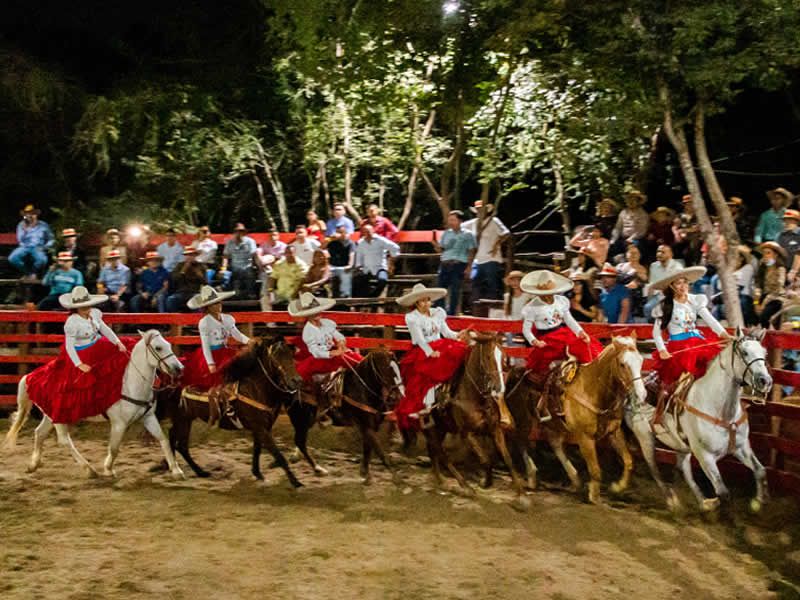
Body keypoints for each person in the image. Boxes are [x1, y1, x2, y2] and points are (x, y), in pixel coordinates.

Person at [24, 286, 134, 424]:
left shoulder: (95, 313)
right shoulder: (72, 322)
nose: (86, 308)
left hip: (97, 343)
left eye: (87, 305)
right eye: (82, 307)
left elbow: (104, 329)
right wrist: (79, 364)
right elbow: (69, 346)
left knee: (128, 346)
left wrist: (117, 342)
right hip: (82, 351)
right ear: (76, 308)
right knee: (84, 380)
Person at [520, 270, 603, 421]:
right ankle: (546, 400)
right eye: (545, 293)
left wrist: (580, 332)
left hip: (563, 333)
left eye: (550, 292)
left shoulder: (561, 301)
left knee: (584, 345)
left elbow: (569, 319)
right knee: (542, 370)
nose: (548, 296)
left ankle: (593, 378)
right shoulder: (532, 307)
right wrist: (535, 341)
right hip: (547, 338)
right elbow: (526, 329)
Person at [393, 284, 470, 429]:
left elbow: (447, 333)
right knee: (426, 373)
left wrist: (458, 335)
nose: (426, 303)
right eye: (422, 301)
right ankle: (428, 401)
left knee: (460, 349)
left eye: (427, 300)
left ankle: (450, 391)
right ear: (416, 303)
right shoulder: (412, 318)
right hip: (422, 350)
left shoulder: (437, 313)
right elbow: (419, 339)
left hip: (440, 345)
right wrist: (430, 352)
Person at [650, 267, 730, 389]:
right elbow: (656, 333)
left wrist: (724, 334)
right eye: (678, 283)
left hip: (697, 343)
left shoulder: (695, 300)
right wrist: (662, 350)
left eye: (685, 282)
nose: (683, 286)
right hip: (679, 346)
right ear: (671, 286)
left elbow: (710, 320)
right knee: (679, 380)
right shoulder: (664, 306)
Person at [180, 285, 249, 390]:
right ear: (208, 307)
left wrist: (249, 341)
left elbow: (236, 334)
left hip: (225, 351)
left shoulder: (228, 318)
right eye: (215, 303)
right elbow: (205, 345)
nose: (219, 305)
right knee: (213, 378)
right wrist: (210, 363)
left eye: (219, 302)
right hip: (212, 354)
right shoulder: (205, 322)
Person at [290, 292, 362, 383]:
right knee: (307, 367)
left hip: (332, 355)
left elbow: (336, 334)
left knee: (355, 358)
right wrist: (331, 353)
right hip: (319, 358)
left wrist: (341, 342)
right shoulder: (307, 331)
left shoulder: (326, 323)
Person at [464, 200, 510, 302]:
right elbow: (460, 227)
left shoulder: (493, 221)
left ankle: (494, 307)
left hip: (491, 258)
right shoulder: (473, 223)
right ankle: (477, 307)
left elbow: (506, 233)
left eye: (482, 209)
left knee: (492, 285)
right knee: (475, 284)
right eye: (478, 209)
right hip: (477, 259)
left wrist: (496, 245)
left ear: (486, 210)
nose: (480, 211)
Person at [434, 210, 477, 315]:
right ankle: (440, 312)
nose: (451, 222)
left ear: (460, 221)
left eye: (453, 220)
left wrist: (469, 267)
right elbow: (441, 249)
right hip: (445, 263)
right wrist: (435, 245)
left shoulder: (468, 234)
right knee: (440, 289)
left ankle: (452, 313)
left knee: (455, 290)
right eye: (449, 220)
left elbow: (472, 250)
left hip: (459, 264)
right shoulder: (446, 233)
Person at [353, 224, 400, 298]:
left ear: (373, 231)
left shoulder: (381, 240)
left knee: (382, 280)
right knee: (357, 280)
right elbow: (359, 255)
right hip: (366, 268)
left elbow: (395, 247)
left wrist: (392, 260)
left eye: (369, 231)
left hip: (380, 267)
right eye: (366, 231)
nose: (368, 233)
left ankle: (374, 296)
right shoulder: (361, 242)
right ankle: (361, 298)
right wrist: (358, 266)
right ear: (363, 232)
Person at [10, 204, 54, 279]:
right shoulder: (21, 225)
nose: (29, 216)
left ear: (36, 215)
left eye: (32, 214)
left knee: (42, 260)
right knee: (12, 258)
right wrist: (25, 230)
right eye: (27, 214)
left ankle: (33, 272)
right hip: (25, 247)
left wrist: (45, 247)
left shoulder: (43, 225)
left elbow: (51, 239)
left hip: (38, 247)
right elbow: (20, 240)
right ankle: (28, 273)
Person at [644, 245, 684, 321]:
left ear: (671, 254)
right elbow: (652, 285)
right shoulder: (653, 266)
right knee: (647, 308)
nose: (659, 254)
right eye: (658, 251)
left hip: (674, 294)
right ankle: (653, 325)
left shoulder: (677, 267)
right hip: (659, 295)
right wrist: (649, 301)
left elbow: (680, 286)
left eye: (663, 252)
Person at [754, 241, 788, 329]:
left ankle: (767, 334)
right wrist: (756, 303)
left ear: (775, 255)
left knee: (764, 316)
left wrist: (764, 303)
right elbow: (758, 286)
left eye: (768, 253)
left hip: (777, 298)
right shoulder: (763, 268)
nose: (765, 256)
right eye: (764, 253)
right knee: (752, 313)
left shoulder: (780, 269)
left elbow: (778, 288)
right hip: (764, 296)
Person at [165, 248, 207, 312]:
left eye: (192, 255)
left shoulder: (201, 266)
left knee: (199, 299)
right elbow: (174, 279)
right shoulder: (179, 265)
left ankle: (197, 318)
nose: (189, 257)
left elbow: (206, 283)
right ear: (185, 256)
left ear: (195, 256)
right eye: (188, 255)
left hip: (194, 292)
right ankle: (173, 318)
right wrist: (183, 270)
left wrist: (199, 275)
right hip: (180, 292)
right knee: (171, 299)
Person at [609, 190, 649, 258]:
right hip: (622, 238)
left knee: (633, 248)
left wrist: (631, 238)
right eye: (629, 199)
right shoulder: (623, 212)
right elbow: (618, 227)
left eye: (633, 200)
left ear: (638, 202)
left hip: (636, 239)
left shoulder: (643, 214)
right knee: (612, 247)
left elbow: (642, 230)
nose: (630, 202)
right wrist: (613, 239)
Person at [222, 223, 258, 298]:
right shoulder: (229, 242)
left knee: (249, 274)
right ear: (234, 232)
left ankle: (250, 294)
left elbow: (254, 255)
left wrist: (258, 266)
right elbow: (225, 256)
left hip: (248, 266)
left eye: (241, 231)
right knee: (233, 275)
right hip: (235, 267)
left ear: (244, 232)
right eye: (237, 231)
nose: (239, 233)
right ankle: (236, 294)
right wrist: (223, 268)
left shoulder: (250, 241)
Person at [673, 194, 702, 266]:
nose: (689, 206)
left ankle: (695, 263)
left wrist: (684, 230)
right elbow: (674, 227)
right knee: (675, 245)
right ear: (684, 205)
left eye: (691, 203)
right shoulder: (680, 216)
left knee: (694, 243)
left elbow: (698, 228)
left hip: (696, 238)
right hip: (683, 238)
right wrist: (676, 234)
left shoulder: (699, 215)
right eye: (687, 204)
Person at [327, 225, 355, 298]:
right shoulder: (332, 242)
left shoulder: (350, 243)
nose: (340, 234)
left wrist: (350, 265)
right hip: (332, 266)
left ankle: (346, 296)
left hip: (344, 267)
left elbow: (352, 254)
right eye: (338, 232)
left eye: (342, 232)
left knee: (344, 275)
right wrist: (329, 240)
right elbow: (321, 249)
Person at [779, 209, 800, 284]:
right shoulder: (782, 235)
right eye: (785, 220)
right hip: (784, 270)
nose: (786, 223)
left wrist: (793, 271)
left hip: (797, 272)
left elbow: (799, 254)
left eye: (789, 220)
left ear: (797, 221)